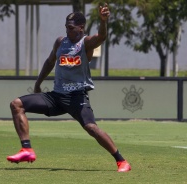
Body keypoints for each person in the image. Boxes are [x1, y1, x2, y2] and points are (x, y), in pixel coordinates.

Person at [7, 3, 131, 172]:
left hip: (77, 97)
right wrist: (38, 83)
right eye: (66, 27)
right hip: (56, 97)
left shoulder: (86, 43)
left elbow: (101, 37)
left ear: (81, 27)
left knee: (91, 128)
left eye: (71, 28)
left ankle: (121, 161)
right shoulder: (60, 42)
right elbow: (50, 61)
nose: (67, 31)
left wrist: (103, 21)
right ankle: (26, 149)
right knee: (16, 104)